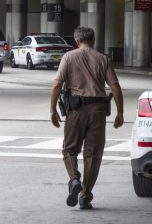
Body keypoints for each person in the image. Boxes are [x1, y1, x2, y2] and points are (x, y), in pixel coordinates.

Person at [49, 26, 124, 209]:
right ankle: (85, 196)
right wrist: (120, 112)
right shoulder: (103, 58)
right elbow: (114, 87)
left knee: (69, 150)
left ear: (77, 41)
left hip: (75, 110)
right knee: (93, 154)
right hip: (98, 110)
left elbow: (57, 85)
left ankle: (74, 180)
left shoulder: (69, 57)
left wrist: (52, 110)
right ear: (93, 40)